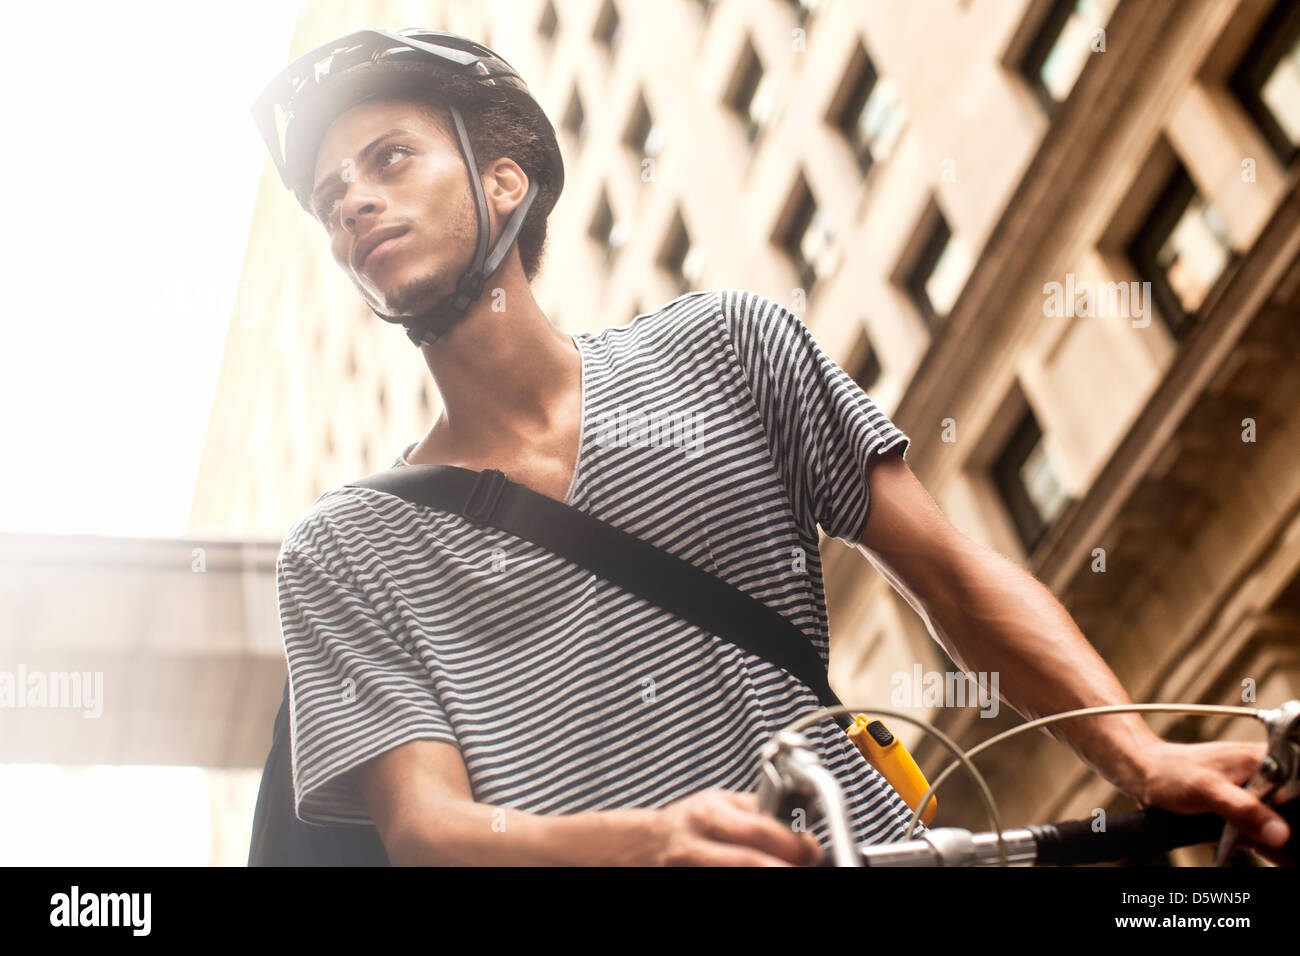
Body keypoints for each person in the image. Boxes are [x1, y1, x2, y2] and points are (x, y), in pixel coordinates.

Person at [251, 29, 1291, 866]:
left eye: (388, 158)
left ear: (506, 182)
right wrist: (649, 842)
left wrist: (1138, 754)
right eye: (329, 193)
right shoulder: (343, 548)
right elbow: (431, 832)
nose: (350, 200)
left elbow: (956, 581)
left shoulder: (731, 346)